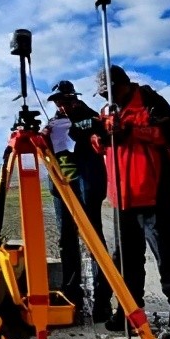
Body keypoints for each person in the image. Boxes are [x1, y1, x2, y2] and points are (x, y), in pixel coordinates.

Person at [91, 65, 170, 339]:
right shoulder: (106, 112)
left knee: (169, 260)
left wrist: (130, 130)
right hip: (122, 198)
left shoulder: (151, 102)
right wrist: (100, 137)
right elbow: (99, 145)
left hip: (154, 196)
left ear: (123, 85)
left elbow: (167, 135)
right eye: (102, 94)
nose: (105, 97)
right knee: (126, 262)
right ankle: (128, 312)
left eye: (108, 91)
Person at [41, 80, 112, 322]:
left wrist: (82, 128)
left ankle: (102, 300)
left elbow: (102, 133)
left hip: (86, 186)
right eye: (57, 102)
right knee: (66, 240)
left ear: (74, 98)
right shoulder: (53, 124)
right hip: (62, 187)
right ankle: (71, 294)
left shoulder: (91, 118)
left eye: (65, 100)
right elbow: (46, 149)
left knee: (93, 240)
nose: (61, 105)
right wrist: (43, 138)